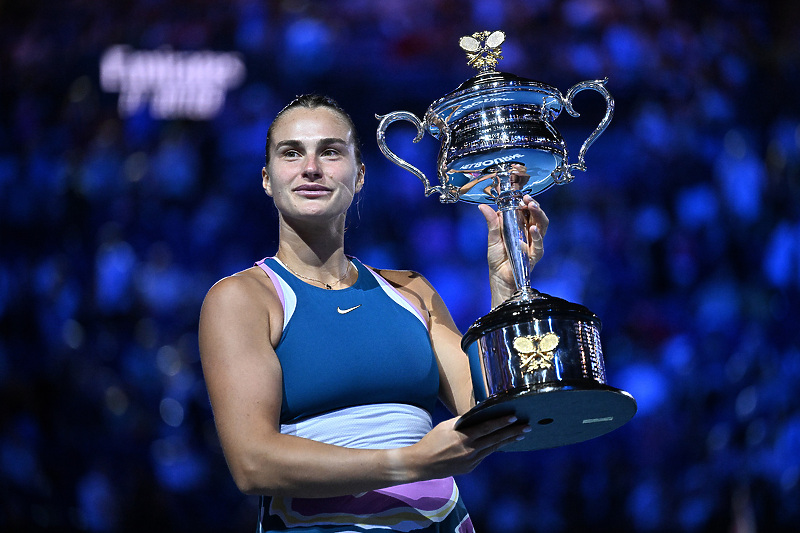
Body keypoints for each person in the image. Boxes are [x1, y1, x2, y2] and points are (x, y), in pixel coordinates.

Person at [198, 94, 549, 532]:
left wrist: (507, 285)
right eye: (292, 153)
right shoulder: (242, 299)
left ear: (360, 175)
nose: (311, 167)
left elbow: (490, 409)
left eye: (330, 151)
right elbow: (254, 463)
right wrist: (408, 463)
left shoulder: (411, 290)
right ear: (267, 179)